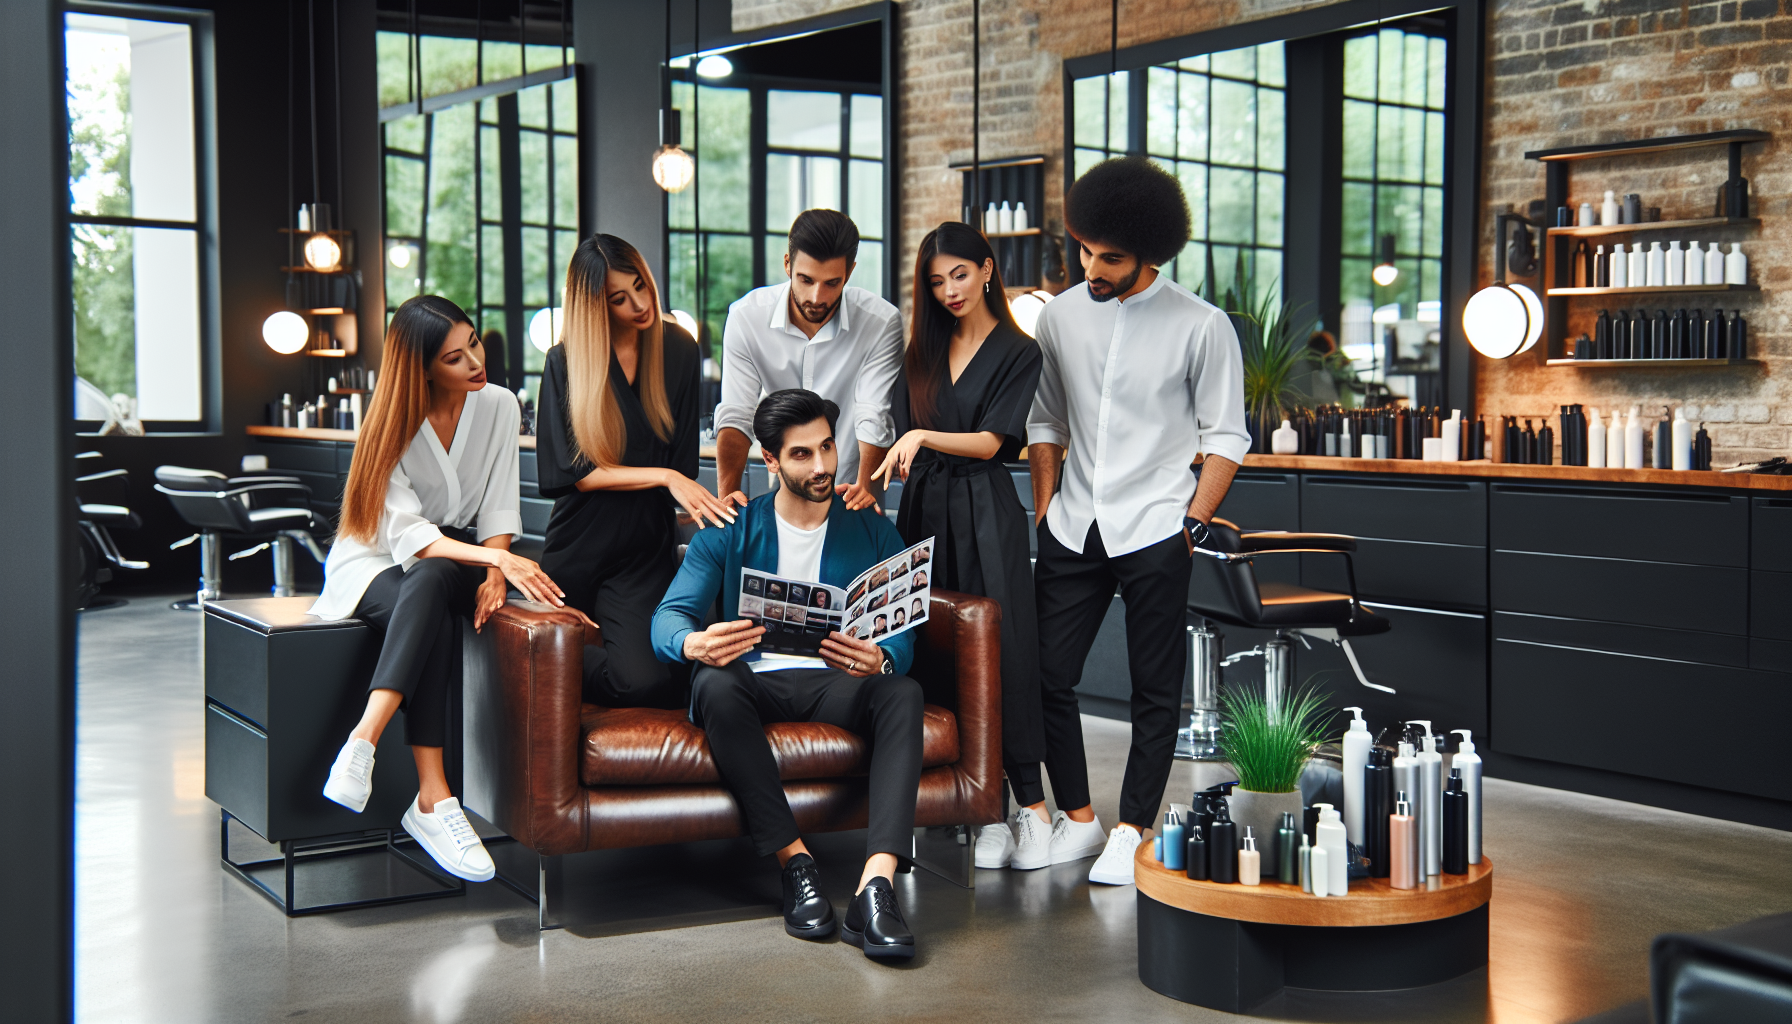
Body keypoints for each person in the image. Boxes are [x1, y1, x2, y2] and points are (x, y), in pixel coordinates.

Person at [1026, 157, 1249, 886]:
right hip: (1073, 523)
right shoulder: (1059, 316)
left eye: (1109, 257)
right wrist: (1045, 503)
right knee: (1046, 676)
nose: (1092, 265)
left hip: (1157, 524)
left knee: (1153, 689)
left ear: (1149, 252)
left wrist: (1193, 519)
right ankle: (1081, 820)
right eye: (1084, 249)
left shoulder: (1202, 326)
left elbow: (1226, 437)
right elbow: (1046, 420)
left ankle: (1132, 829)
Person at [652, 389, 924, 961]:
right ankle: (795, 863)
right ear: (770, 461)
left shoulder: (868, 525)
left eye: (827, 447)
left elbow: (903, 622)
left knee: (902, 692)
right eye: (802, 455)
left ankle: (877, 886)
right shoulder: (731, 527)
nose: (823, 465)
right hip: (754, 682)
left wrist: (885, 657)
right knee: (715, 685)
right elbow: (667, 618)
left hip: (835, 682)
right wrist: (694, 641)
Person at [317, 295, 580, 881]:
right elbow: (410, 537)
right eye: (454, 358)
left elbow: (500, 502)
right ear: (424, 370)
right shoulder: (391, 423)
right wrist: (497, 565)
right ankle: (431, 793)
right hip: (375, 560)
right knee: (430, 583)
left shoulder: (500, 406)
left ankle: (368, 742)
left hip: (459, 556)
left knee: (436, 580)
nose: (474, 363)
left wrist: (495, 569)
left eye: (474, 346)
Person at [871, 221, 1048, 871]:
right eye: (936, 280)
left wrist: (921, 439)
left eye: (960, 275)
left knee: (1003, 653)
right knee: (934, 649)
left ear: (988, 270)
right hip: (923, 510)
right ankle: (981, 807)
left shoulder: (1019, 350)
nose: (949, 290)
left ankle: (1030, 807)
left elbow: (995, 443)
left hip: (983, 509)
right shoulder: (921, 349)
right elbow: (884, 427)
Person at [536, 234, 737, 709]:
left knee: (653, 683)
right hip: (579, 548)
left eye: (640, 286)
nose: (640, 304)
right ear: (594, 307)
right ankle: (550, 659)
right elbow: (577, 473)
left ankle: (564, 659)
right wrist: (666, 479)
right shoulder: (565, 361)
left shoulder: (679, 350)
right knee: (633, 677)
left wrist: (699, 509)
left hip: (643, 554)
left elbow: (681, 466)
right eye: (619, 299)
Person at [714, 209, 903, 513]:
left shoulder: (880, 322)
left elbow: (873, 415)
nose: (816, 297)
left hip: (852, 491)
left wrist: (864, 491)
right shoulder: (746, 317)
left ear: (850, 273)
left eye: (832, 282)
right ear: (787, 264)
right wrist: (728, 496)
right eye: (806, 279)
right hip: (787, 493)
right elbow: (737, 414)